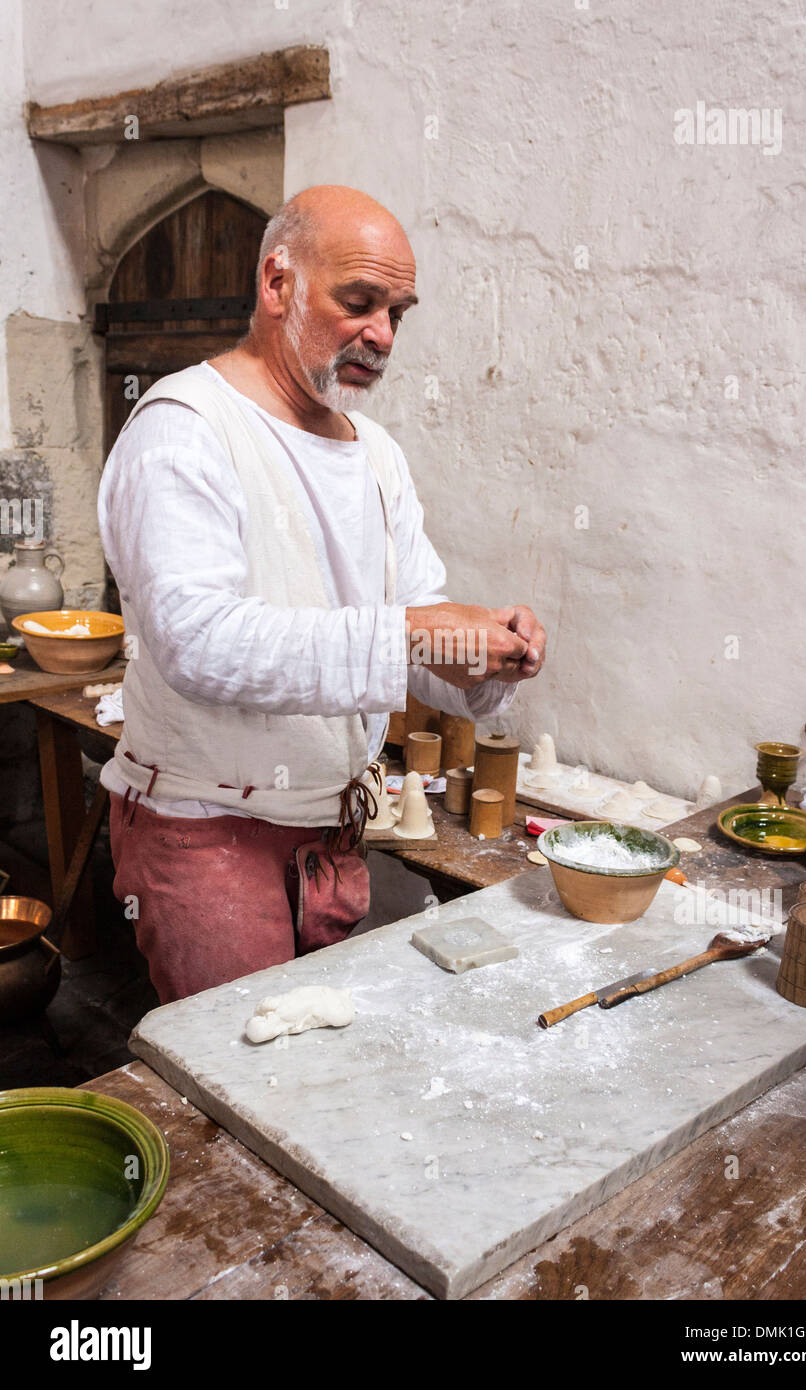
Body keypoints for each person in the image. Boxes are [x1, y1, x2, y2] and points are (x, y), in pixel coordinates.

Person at [97, 184, 547, 1003]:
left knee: (310, 1070)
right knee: (243, 1082)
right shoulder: (185, 429)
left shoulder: (376, 454)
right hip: (207, 836)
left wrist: (485, 655)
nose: (380, 333)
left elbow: (414, 635)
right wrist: (417, 627)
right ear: (278, 285)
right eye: (358, 301)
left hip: (331, 833)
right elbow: (199, 643)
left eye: (396, 313)